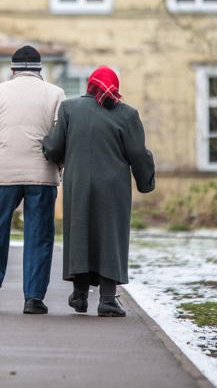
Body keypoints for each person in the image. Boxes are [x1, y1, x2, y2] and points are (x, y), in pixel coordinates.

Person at [41, 66, 155, 317]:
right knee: (110, 236)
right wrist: (146, 181)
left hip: (78, 183)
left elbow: (55, 146)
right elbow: (138, 153)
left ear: (89, 86)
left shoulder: (70, 109)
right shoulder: (127, 114)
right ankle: (107, 299)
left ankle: (80, 296)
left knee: (79, 233)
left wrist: (46, 146)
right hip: (113, 187)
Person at [0, 45, 65, 314]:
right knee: (39, 236)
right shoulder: (55, 94)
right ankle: (33, 299)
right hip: (41, 174)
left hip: (2, 174)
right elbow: (62, 137)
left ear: (13, 69)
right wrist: (57, 164)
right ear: (39, 69)